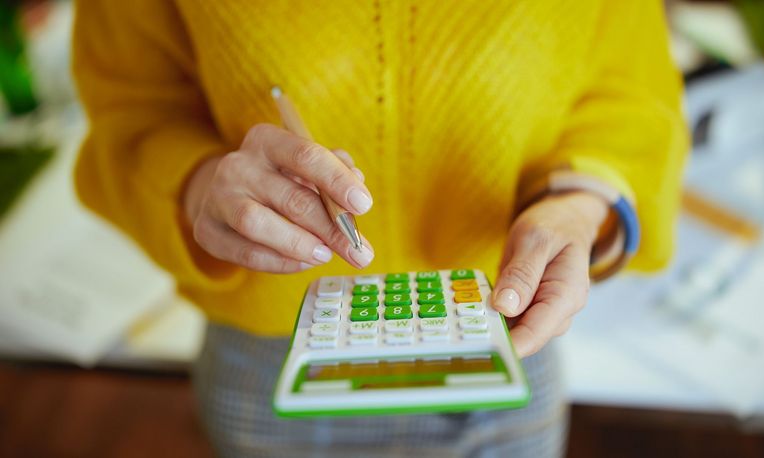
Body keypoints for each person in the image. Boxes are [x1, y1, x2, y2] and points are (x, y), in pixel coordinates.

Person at [71, 0, 688, 456]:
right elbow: (132, 105)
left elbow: (630, 94)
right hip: (273, 366)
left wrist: (579, 204)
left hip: (501, 341)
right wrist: (202, 182)